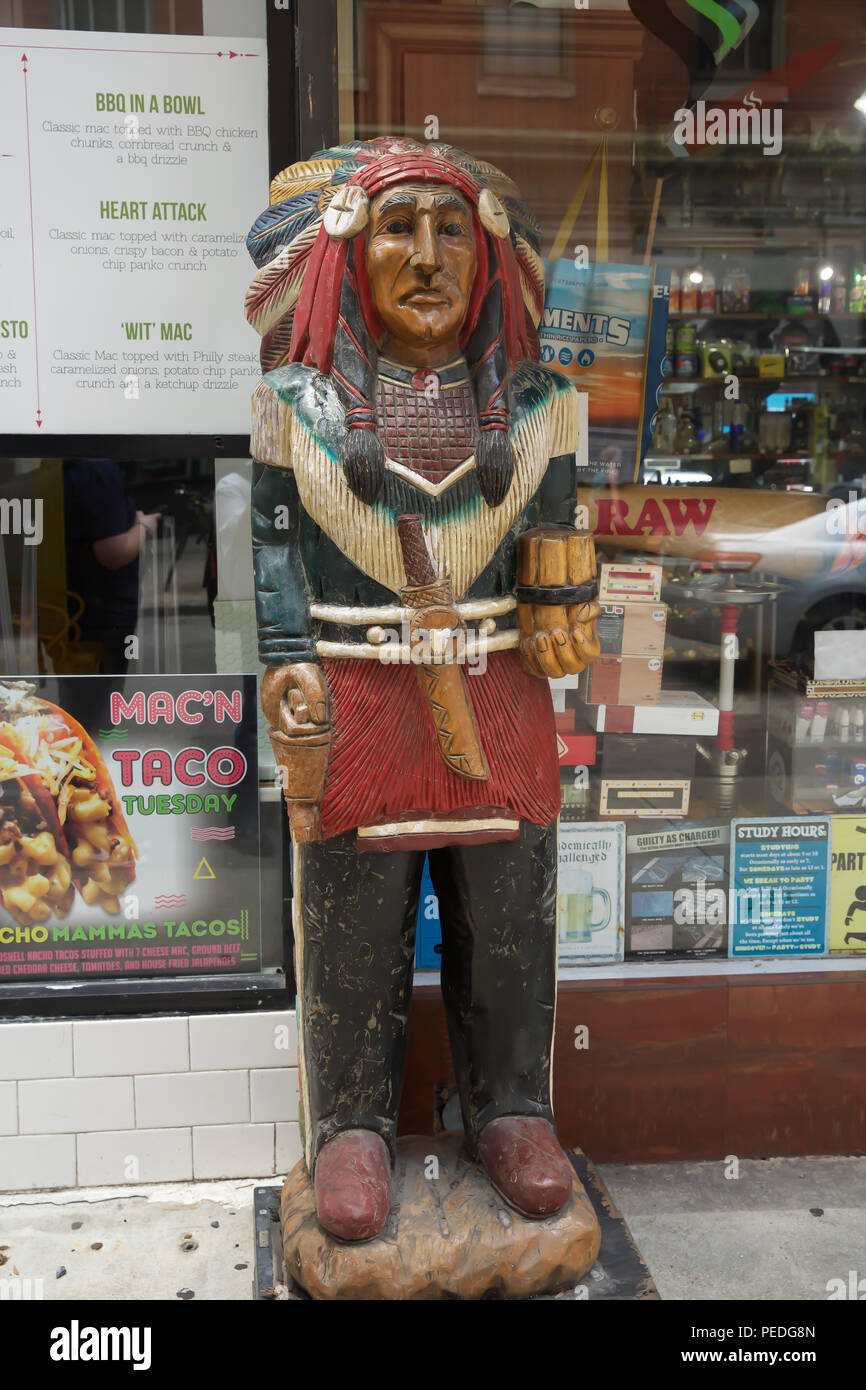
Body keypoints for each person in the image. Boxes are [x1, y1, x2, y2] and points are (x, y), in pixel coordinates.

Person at [247, 138, 600, 1241]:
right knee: (353, 915)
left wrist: (564, 594)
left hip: (497, 685)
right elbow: (269, 550)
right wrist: (283, 656)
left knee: (506, 910)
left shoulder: (545, 408)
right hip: (355, 692)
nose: (427, 256)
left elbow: (557, 539)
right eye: (398, 227)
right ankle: (351, 1122)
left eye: (452, 231)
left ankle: (514, 1106)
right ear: (347, 258)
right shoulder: (291, 407)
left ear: (490, 260)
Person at [63, 457, 161, 673]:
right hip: (102, 612)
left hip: (83, 608)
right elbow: (114, 552)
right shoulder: (97, 468)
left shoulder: (79, 465)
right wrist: (144, 526)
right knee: (101, 699)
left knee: (84, 698)